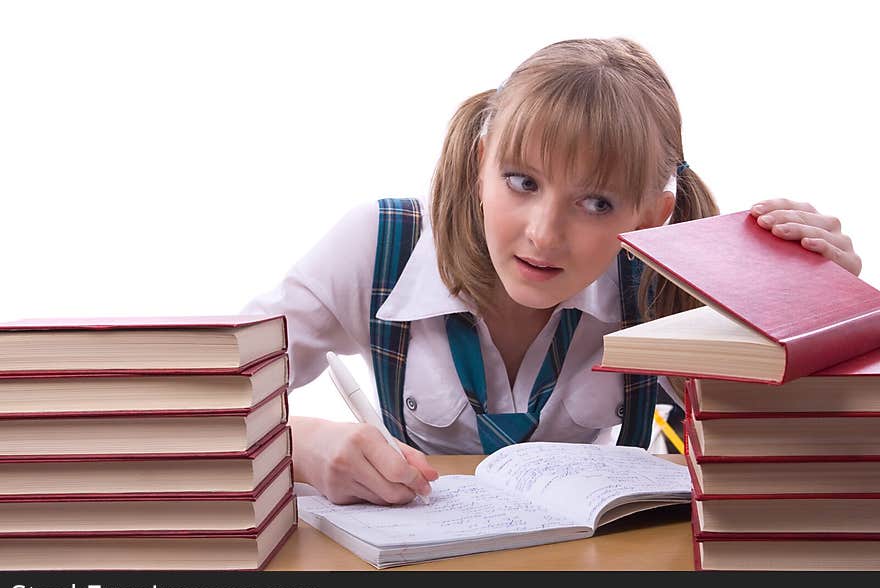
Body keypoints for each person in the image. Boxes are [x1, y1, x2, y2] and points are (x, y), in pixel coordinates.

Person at [242, 37, 862, 506]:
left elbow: (793, 461)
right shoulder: (383, 245)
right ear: (482, 163)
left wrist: (819, 312)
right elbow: (204, 398)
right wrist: (301, 443)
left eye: (597, 203)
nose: (543, 232)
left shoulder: (659, 283)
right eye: (522, 182)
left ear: (652, 215)